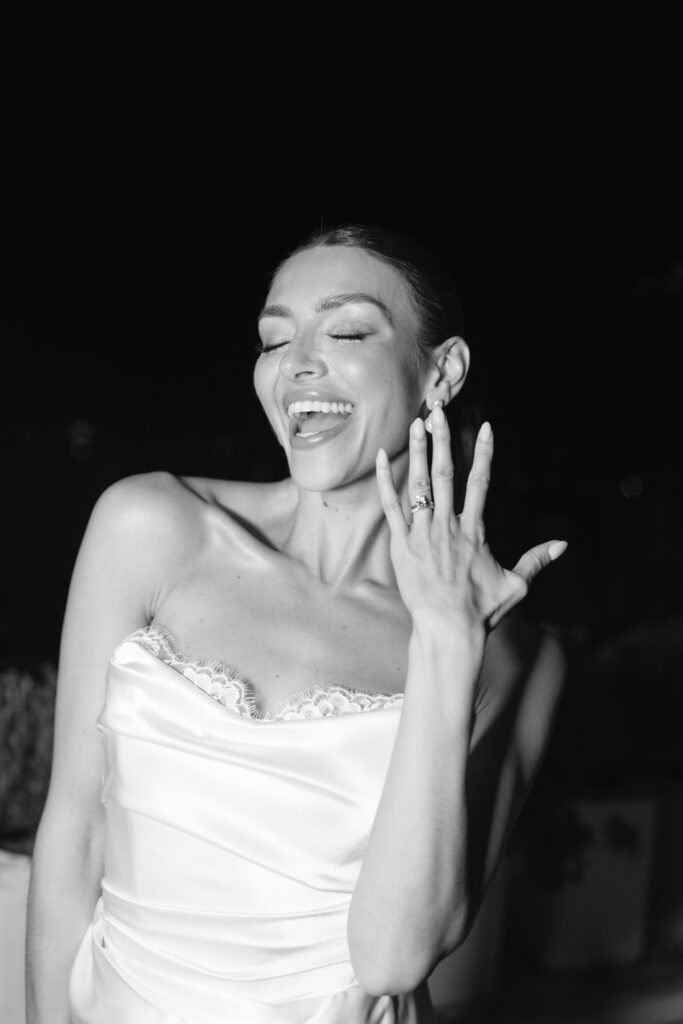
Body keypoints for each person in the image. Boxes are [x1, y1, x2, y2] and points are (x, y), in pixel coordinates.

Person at [25, 224, 567, 1023]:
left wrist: (446, 642)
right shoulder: (147, 527)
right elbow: (73, 830)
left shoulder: (514, 655)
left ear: (441, 371)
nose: (296, 363)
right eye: (274, 340)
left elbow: (393, 956)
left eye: (345, 332)